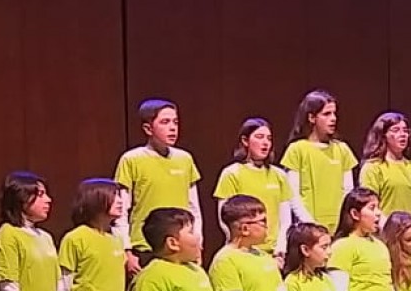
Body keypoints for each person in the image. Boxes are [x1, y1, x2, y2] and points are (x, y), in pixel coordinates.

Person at [114, 98, 203, 271]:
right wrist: (126, 250)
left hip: (181, 246)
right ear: (148, 128)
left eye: (175, 122)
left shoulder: (184, 159)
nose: (172, 128)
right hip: (145, 246)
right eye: (165, 122)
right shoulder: (132, 159)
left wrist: (197, 241)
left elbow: (194, 208)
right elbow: (122, 210)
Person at [214, 117, 292, 257]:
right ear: (245, 141)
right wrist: (241, 244)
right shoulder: (232, 173)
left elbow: (285, 218)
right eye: (259, 137)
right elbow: (224, 218)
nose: (265, 143)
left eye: (268, 138)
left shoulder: (279, 175)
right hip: (243, 250)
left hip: (273, 252)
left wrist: (281, 246)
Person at [282, 89, 357, 231]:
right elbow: (292, 194)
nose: (333, 118)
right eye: (327, 114)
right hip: (309, 229)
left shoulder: (342, 149)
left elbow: (348, 192)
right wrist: (310, 224)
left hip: (338, 228)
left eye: (334, 113)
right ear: (311, 118)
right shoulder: (297, 149)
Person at [358, 111, 411, 223]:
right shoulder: (372, 167)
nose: (403, 134)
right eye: (396, 130)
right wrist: (389, 229)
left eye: (405, 130)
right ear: (383, 135)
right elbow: (370, 205)